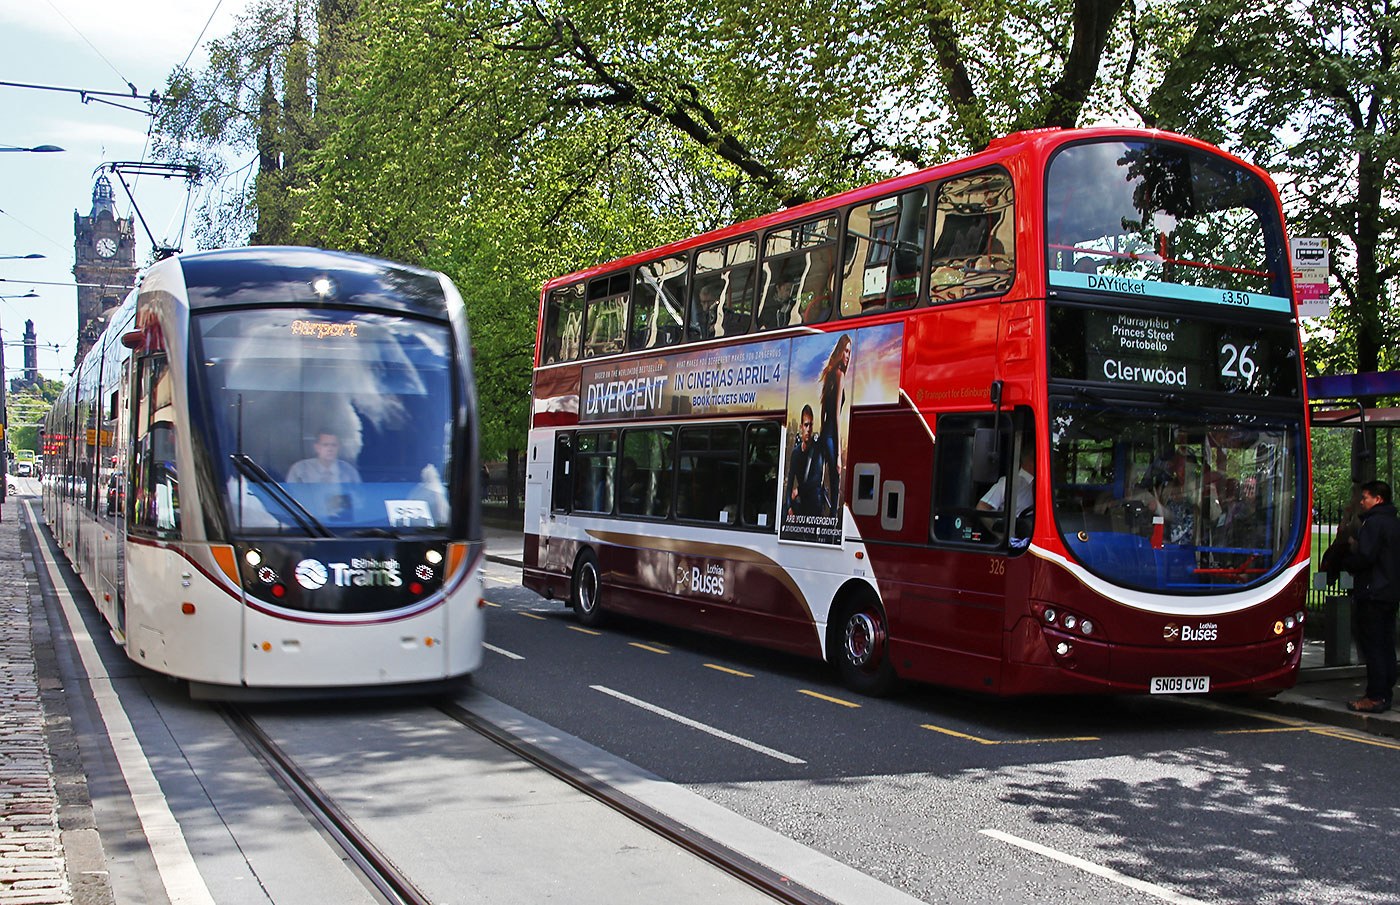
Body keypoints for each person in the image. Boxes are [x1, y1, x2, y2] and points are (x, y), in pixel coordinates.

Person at [1340, 480, 1400, 713]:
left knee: (1373, 645)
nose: (1362, 502)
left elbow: (1365, 556)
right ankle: (1385, 689)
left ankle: (1375, 696)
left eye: (1365, 497)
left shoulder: (1374, 523)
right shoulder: (1394, 523)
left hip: (1372, 591)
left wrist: (1348, 559)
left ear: (1378, 499)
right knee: (1386, 643)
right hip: (1389, 592)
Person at [817, 335, 852, 514]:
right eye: (845, 351)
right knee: (835, 475)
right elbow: (837, 415)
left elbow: (824, 408)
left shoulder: (831, 373)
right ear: (839, 351)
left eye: (849, 352)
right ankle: (831, 520)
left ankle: (824, 513)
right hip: (831, 434)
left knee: (825, 478)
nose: (847, 355)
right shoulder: (839, 375)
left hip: (825, 433)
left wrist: (823, 433)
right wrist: (838, 454)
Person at [786, 405, 825, 517]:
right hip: (802, 504)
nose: (809, 429)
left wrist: (798, 490)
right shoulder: (796, 453)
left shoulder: (816, 449)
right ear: (801, 427)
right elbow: (789, 483)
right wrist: (789, 507)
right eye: (806, 425)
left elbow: (817, 479)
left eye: (811, 425)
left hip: (814, 505)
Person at [287, 429, 362, 484]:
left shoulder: (349, 472)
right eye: (325, 445)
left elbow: (358, 498)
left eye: (333, 445)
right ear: (317, 448)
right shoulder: (300, 470)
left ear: (338, 448)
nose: (330, 449)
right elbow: (290, 496)